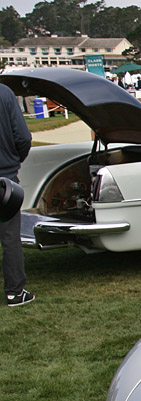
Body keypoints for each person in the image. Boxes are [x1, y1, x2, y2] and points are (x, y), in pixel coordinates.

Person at [1, 82, 33, 307]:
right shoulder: (4, 93)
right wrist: (14, 162)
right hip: (5, 177)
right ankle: (14, 291)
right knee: (10, 236)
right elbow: (22, 137)